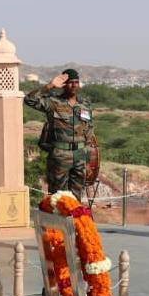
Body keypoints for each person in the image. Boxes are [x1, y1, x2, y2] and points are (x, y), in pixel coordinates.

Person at [24, 68, 96, 200]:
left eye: (76, 82)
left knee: (76, 196)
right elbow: (29, 100)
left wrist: (87, 161)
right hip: (60, 156)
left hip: (80, 155)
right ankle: (58, 221)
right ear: (64, 85)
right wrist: (50, 86)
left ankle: (74, 220)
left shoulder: (85, 104)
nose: (74, 85)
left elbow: (89, 134)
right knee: (58, 196)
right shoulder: (53, 102)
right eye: (70, 82)